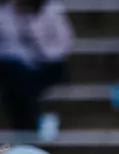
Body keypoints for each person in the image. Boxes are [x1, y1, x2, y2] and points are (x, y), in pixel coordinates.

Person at [0, 0, 71, 137]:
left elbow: (64, 44)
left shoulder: (52, 11)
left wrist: (41, 51)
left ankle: (30, 128)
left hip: (48, 65)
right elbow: (7, 47)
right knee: (17, 79)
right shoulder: (5, 12)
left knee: (20, 87)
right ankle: (37, 123)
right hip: (17, 69)